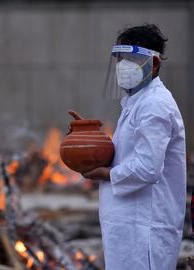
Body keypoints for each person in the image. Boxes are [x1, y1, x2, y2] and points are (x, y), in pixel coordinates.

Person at [77, 24, 186, 269]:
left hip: (146, 228)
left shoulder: (154, 105)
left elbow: (148, 168)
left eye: (133, 59)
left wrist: (107, 173)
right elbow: (131, 156)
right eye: (121, 58)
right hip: (130, 226)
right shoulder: (136, 103)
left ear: (154, 64)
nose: (124, 65)